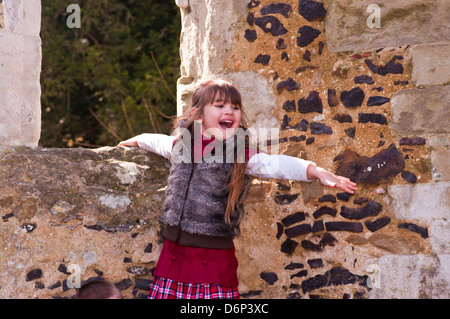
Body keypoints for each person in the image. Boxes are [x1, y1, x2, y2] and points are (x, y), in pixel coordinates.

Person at [118, 78, 357, 299]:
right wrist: (135, 140)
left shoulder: (239, 154)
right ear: (198, 115)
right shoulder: (181, 146)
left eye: (235, 107)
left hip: (212, 261)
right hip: (173, 256)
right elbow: (156, 141)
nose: (229, 111)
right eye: (220, 105)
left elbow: (275, 164)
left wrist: (316, 171)